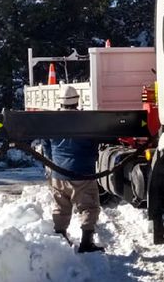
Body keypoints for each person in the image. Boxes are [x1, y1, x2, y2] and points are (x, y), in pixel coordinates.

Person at [42, 85, 105, 253]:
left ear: (60, 102)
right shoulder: (87, 120)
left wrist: (53, 163)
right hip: (82, 172)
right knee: (88, 206)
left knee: (60, 206)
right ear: (77, 100)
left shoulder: (51, 121)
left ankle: (61, 238)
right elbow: (95, 143)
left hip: (58, 172)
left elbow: (46, 145)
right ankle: (86, 242)